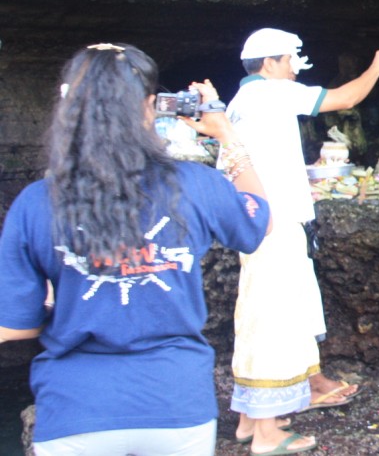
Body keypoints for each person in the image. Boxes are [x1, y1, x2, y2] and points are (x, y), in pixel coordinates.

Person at [0, 43, 272, 456]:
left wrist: (64, 297)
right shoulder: (195, 184)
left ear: (69, 105)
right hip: (175, 404)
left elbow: (15, 325)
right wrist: (226, 132)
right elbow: (259, 222)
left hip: (76, 408)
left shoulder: (35, 202)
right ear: (151, 106)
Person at [226, 28, 379, 452]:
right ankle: (266, 435)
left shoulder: (241, 101)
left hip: (261, 223)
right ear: (269, 63)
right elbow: (345, 99)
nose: (293, 70)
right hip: (274, 225)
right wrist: (377, 67)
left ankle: (250, 418)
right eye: (289, 61)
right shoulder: (271, 93)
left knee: (259, 314)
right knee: (272, 323)